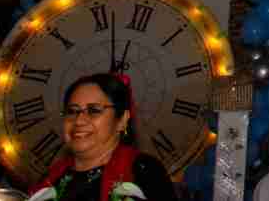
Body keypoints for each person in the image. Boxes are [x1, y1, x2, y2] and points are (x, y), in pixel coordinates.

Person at [30, 73, 177, 201]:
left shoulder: (143, 171)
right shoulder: (51, 178)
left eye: (93, 110)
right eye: (72, 111)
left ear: (122, 120)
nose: (79, 120)